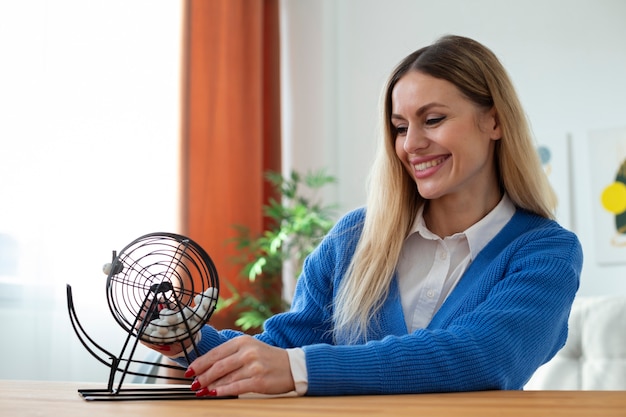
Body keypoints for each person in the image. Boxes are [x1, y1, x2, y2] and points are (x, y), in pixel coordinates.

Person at [146, 34, 583, 397]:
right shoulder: (353, 238)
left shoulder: (546, 252)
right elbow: (280, 349)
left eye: (432, 119)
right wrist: (188, 337)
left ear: (495, 121)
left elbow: (483, 356)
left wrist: (300, 369)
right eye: (399, 127)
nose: (411, 144)